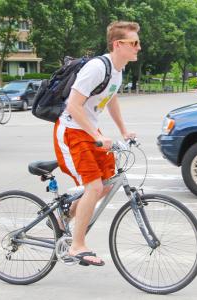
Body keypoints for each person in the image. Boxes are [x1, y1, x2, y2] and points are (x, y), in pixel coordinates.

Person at [53, 21, 141, 266]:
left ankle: (63, 219)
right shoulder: (96, 67)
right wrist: (97, 135)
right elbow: (73, 105)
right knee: (93, 186)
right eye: (134, 43)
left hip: (90, 131)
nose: (138, 47)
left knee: (104, 186)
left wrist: (124, 131)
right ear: (118, 44)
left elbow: (111, 100)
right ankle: (77, 245)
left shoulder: (118, 70)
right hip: (71, 131)